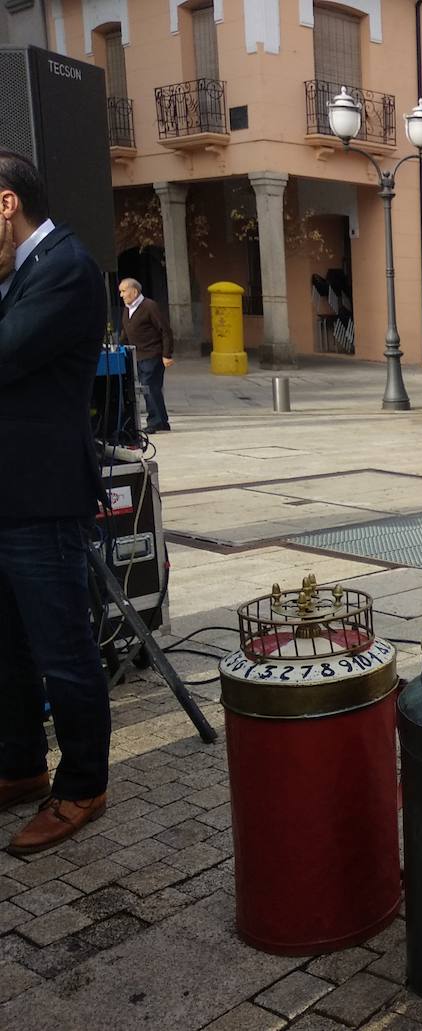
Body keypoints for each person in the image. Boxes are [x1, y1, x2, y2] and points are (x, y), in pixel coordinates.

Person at [0, 151, 112, 855]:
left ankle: (82, 784)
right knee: (6, 649)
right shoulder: (19, 274)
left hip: (40, 500)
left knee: (63, 651)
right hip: (8, 495)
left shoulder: (67, 267)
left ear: (5, 203)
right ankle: (17, 765)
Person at [118, 277, 175, 433]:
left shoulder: (149, 306)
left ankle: (155, 421)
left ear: (134, 291)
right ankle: (162, 421)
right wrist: (119, 347)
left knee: (149, 387)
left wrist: (166, 355)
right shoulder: (127, 308)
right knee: (153, 388)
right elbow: (126, 331)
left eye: (124, 291)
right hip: (138, 355)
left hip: (152, 354)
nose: (121, 295)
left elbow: (165, 331)